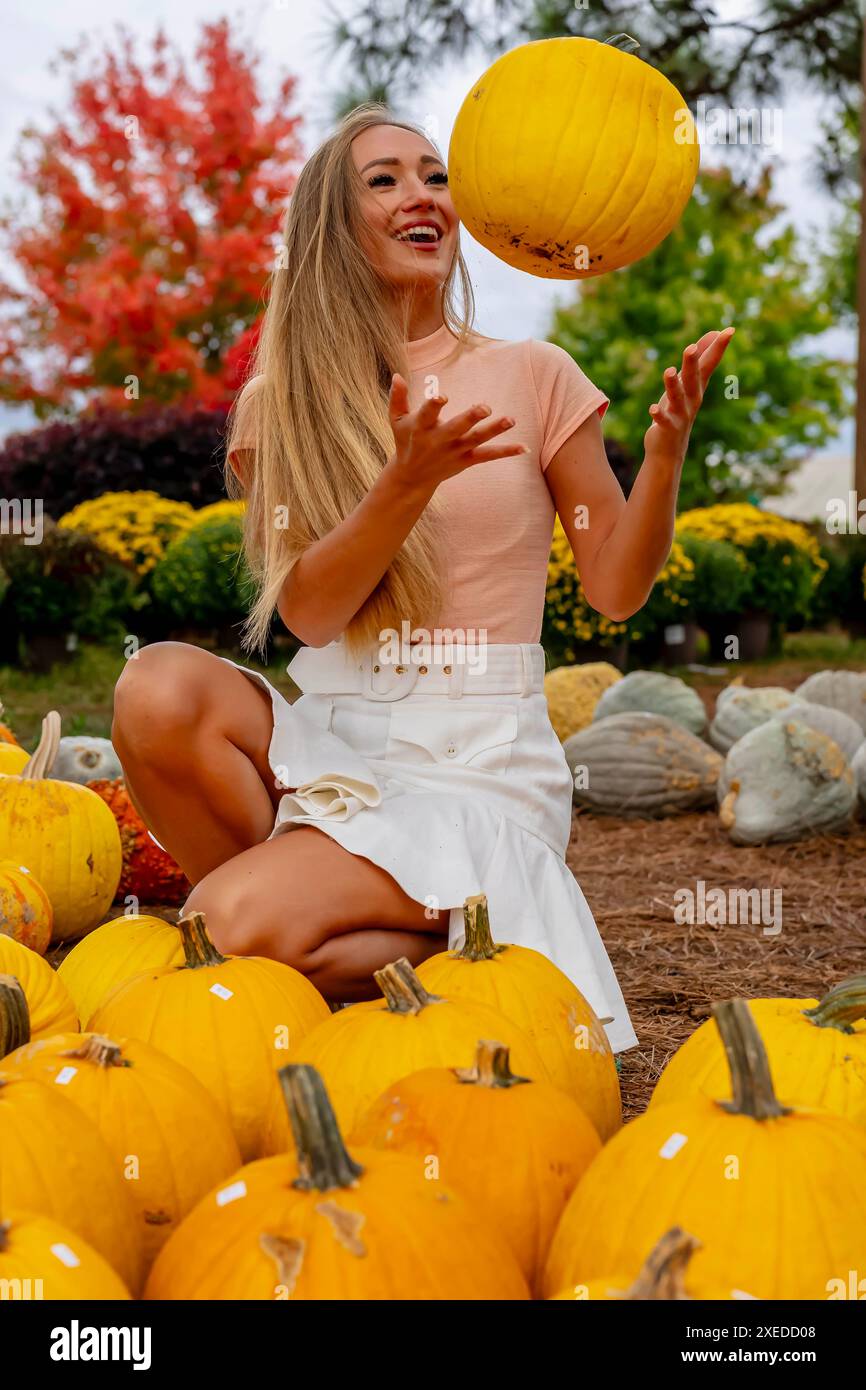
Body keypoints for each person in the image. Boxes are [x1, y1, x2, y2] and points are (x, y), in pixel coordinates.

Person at [112, 104, 733, 1053]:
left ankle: (365, 927)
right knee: (155, 688)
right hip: (338, 736)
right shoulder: (285, 401)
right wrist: (404, 484)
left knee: (226, 925)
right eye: (386, 179)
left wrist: (664, 458)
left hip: (477, 758)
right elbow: (313, 615)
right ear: (335, 223)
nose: (423, 197)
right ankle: (379, 935)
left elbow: (614, 585)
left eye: (435, 177)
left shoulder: (535, 373)